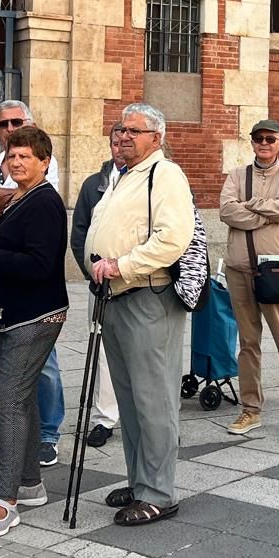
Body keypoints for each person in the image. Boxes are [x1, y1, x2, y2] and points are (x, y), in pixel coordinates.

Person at [85, 103, 194, 525]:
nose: (125, 136)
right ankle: (140, 480)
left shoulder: (165, 174)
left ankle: (159, 493)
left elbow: (173, 239)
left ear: (157, 138)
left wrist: (121, 265)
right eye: (121, 128)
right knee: (129, 398)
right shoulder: (123, 175)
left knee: (154, 399)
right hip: (116, 296)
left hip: (148, 295)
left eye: (135, 130)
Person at [0, 124, 67, 537]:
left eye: (26, 156)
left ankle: (5, 501)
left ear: (44, 162)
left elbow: (40, 266)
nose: (16, 161)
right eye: (11, 156)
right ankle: (32, 484)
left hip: (34, 316)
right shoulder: (20, 199)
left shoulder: (44, 203)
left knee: (7, 402)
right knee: (23, 398)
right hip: (9, 313)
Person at [220, 119, 279, 441]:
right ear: (252, 142)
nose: (264, 144)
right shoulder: (236, 176)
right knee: (247, 344)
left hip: (274, 269)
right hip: (239, 267)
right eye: (258, 139)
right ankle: (250, 408)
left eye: (270, 139)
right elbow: (227, 211)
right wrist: (265, 212)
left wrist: (253, 206)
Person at [68, 123, 126, 448]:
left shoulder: (148, 183)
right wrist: (91, 271)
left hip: (137, 283)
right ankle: (106, 418)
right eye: (115, 142)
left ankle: (142, 414)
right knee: (102, 348)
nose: (120, 147)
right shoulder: (94, 185)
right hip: (100, 283)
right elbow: (79, 234)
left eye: (125, 142)